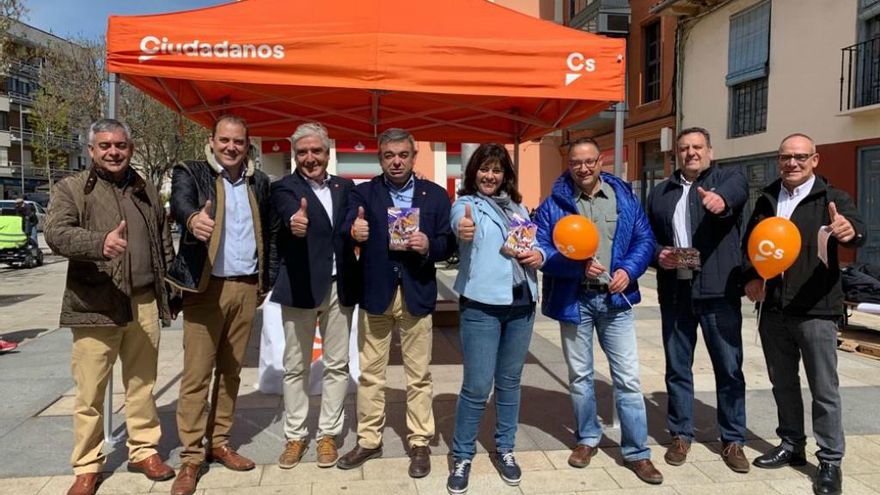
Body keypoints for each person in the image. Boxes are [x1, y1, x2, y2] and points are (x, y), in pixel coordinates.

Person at [44, 118, 176, 495]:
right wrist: (99, 243)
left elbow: (163, 241)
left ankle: (143, 450)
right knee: (89, 393)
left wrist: (172, 290)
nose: (113, 152)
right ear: (91, 151)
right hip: (95, 303)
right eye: (105, 146)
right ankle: (88, 465)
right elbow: (55, 233)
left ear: (130, 148)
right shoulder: (71, 189)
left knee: (142, 385)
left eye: (120, 145)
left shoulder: (145, 187)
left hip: (144, 302)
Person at [535, 137, 662, 485]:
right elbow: (543, 250)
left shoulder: (623, 197)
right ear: (569, 164)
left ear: (600, 161)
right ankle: (587, 438)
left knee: (628, 379)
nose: (583, 168)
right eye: (576, 162)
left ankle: (637, 452)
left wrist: (629, 271)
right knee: (580, 377)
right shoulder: (553, 204)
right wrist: (576, 267)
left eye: (589, 161)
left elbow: (644, 240)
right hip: (575, 300)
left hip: (615, 301)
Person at [744, 133, 865, 495]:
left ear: (815, 160)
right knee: (782, 383)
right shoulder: (766, 198)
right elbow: (751, 243)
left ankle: (830, 460)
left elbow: (856, 233)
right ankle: (791, 444)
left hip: (816, 309)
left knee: (824, 390)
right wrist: (751, 277)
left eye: (799, 157)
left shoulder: (833, 198)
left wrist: (849, 231)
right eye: (785, 157)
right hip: (774, 308)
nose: (791, 163)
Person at [166, 115, 276, 495]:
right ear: (212, 141)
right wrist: (193, 218)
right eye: (225, 140)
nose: (231, 147)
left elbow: (271, 233)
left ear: (248, 146)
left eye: (239, 142)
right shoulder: (191, 172)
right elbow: (179, 201)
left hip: (246, 288)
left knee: (230, 373)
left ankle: (220, 442)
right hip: (204, 288)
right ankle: (191, 458)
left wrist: (267, 281)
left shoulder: (259, 182)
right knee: (196, 376)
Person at [337, 128, 455, 478]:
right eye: (389, 155)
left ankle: (419, 441)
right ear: (380, 158)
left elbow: (448, 243)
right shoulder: (363, 193)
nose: (396, 161)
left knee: (418, 374)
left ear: (414, 156)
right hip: (376, 292)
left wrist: (428, 245)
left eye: (403, 154)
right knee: (371, 374)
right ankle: (369, 440)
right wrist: (353, 232)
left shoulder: (434, 195)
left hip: (416, 291)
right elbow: (345, 227)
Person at [644, 127, 750, 472]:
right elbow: (647, 239)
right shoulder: (661, 192)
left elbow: (736, 194)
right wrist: (659, 254)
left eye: (698, 147)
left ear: (710, 151)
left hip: (718, 291)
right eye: (685, 148)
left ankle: (733, 439)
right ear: (677, 153)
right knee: (677, 368)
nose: (691, 153)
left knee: (729, 369)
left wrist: (719, 201)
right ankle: (680, 433)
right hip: (676, 290)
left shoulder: (728, 178)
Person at [445, 144, 542, 494]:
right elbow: (460, 224)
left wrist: (539, 254)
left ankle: (505, 448)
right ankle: (462, 454)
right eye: (484, 169)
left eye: (497, 170)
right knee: (476, 386)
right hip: (482, 305)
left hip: (522, 303)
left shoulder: (518, 206)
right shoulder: (464, 204)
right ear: (474, 172)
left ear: (506, 175)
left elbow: (534, 241)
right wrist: (463, 230)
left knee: (510, 383)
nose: (490, 176)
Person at [269, 122, 360, 469]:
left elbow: (352, 222)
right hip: (301, 286)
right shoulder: (284, 188)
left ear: (327, 152)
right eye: (303, 152)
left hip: (339, 286)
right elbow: (289, 212)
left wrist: (357, 230)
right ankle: (295, 436)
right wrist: (296, 221)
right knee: (295, 366)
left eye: (316, 151)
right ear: (295, 156)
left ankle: (328, 435)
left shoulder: (345, 187)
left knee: (337, 365)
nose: (310, 158)